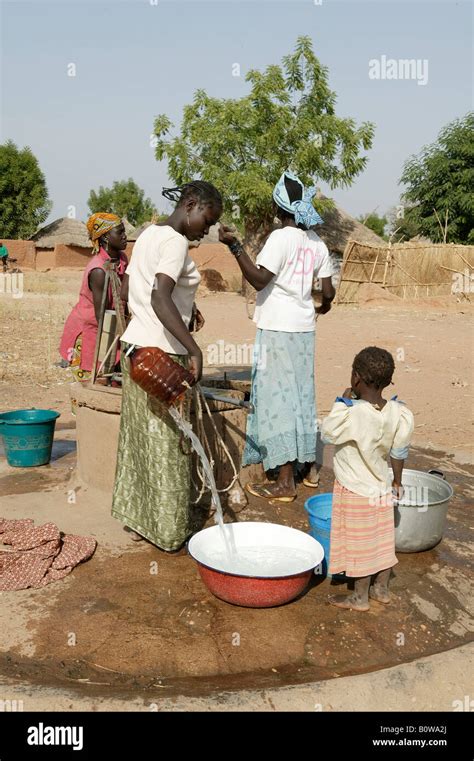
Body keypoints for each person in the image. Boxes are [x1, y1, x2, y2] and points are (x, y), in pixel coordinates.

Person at [112, 180, 223, 551]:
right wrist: (194, 350)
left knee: (140, 442)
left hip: (135, 350)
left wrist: (186, 309)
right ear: (190, 204)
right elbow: (160, 296)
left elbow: (130, 292)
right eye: (207, 219)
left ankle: (141, 519)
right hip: (164, 356)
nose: (206, 230)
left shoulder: (148, 234)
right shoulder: (175, 242)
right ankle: (171, 532)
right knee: (172, 446)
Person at [219, 169, 335, 503]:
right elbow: (327, 291)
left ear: (278, 208)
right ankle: (306, 468)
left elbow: (258, 279)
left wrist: (235, 246)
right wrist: (321, 307)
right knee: (300, 395)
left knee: (279, 401)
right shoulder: (317, 243)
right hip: (304, 330)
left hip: (277, 329)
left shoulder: (280, 239)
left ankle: (285, 483)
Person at [321, 346, 414, 612]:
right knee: (382, 541)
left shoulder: (351, 413)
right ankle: (381, 589)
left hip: (355, 489)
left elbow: (327, 434)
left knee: (360, 545)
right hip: (381, 487)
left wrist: (341, 401)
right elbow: (399, 451)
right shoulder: (399, 412)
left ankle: (359, 597)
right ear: (388, 382)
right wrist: (397, 481)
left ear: (356, 378)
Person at [59, 213, 128, 381]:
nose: (125, 236)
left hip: (112, 328)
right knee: (92, 385)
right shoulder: (98, 270)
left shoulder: (122, 259)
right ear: (105, 237)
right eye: (120, 232)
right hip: (93, 331)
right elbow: (102, 317)